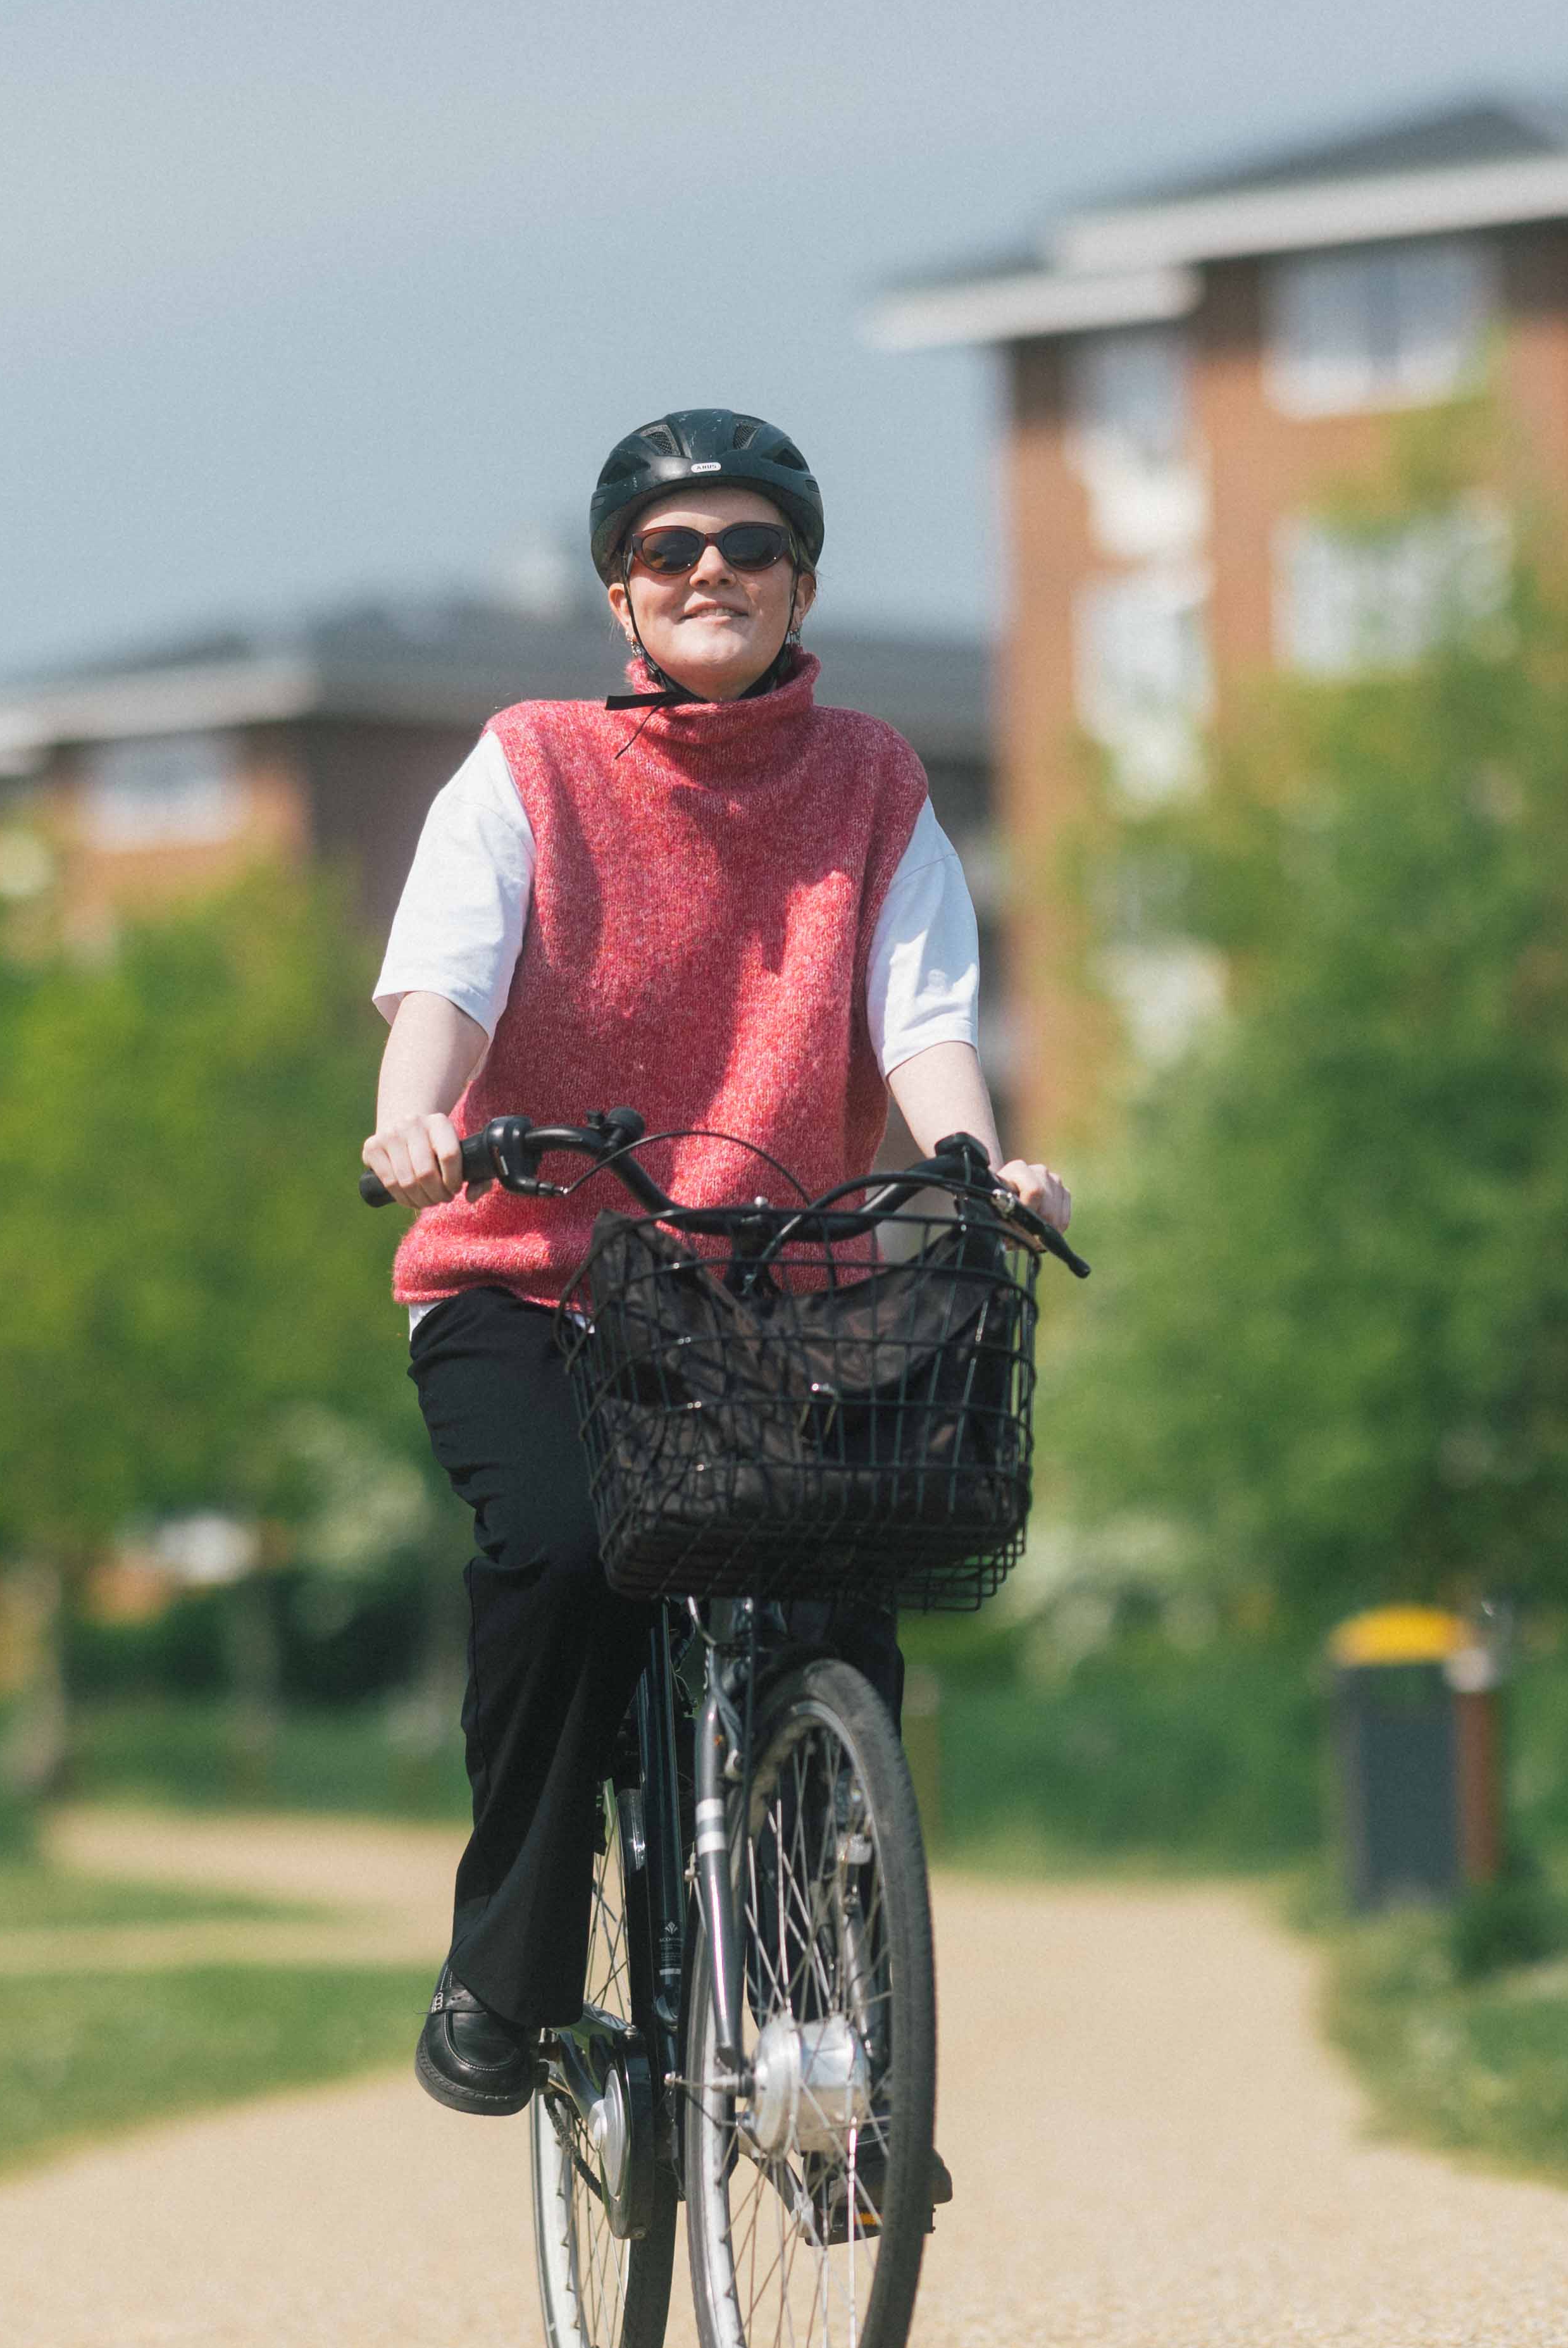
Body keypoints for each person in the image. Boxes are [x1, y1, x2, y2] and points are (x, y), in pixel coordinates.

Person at [361, 408, 1067, 2118]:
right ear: (621, 595)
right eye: (672, 551)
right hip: (531, 1271)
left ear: (802, 580)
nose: (712, 576)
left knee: (839, 1595)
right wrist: (415, 1114)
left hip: (770, 1289)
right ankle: (511, 1972)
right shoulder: (528, 764)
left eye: (750, 547)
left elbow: (923, 1018)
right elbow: (447, 979)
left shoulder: (873, 780)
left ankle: (837, 2050)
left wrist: (977, 1163)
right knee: (560, 1557)